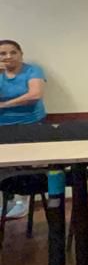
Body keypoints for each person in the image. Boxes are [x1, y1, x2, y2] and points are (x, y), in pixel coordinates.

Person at [0, 39, 47, 220]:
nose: (8, 56)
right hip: (3, 127)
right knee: (4, 165)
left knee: (27, 164)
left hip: (31, 125)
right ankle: (8, 201)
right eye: (3, 53)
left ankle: (23, 202)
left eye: (13, 52)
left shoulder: (32, 70)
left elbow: (35, 95)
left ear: (21, 54)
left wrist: (4, 104)